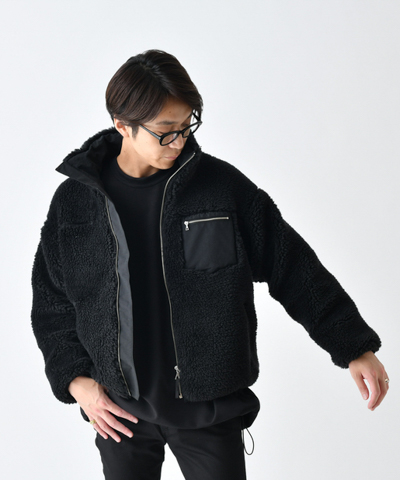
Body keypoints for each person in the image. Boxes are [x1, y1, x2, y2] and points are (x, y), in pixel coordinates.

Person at [31, 50, 389, 480]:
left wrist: (353, 346)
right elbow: (51, 303)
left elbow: (293, 268)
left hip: (209, 410)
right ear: (122, 124)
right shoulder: (74, 203)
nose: (179, 142)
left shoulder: (221, 189)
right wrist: (76, 381)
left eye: (187, 126)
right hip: (119, 413)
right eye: (165, 132)